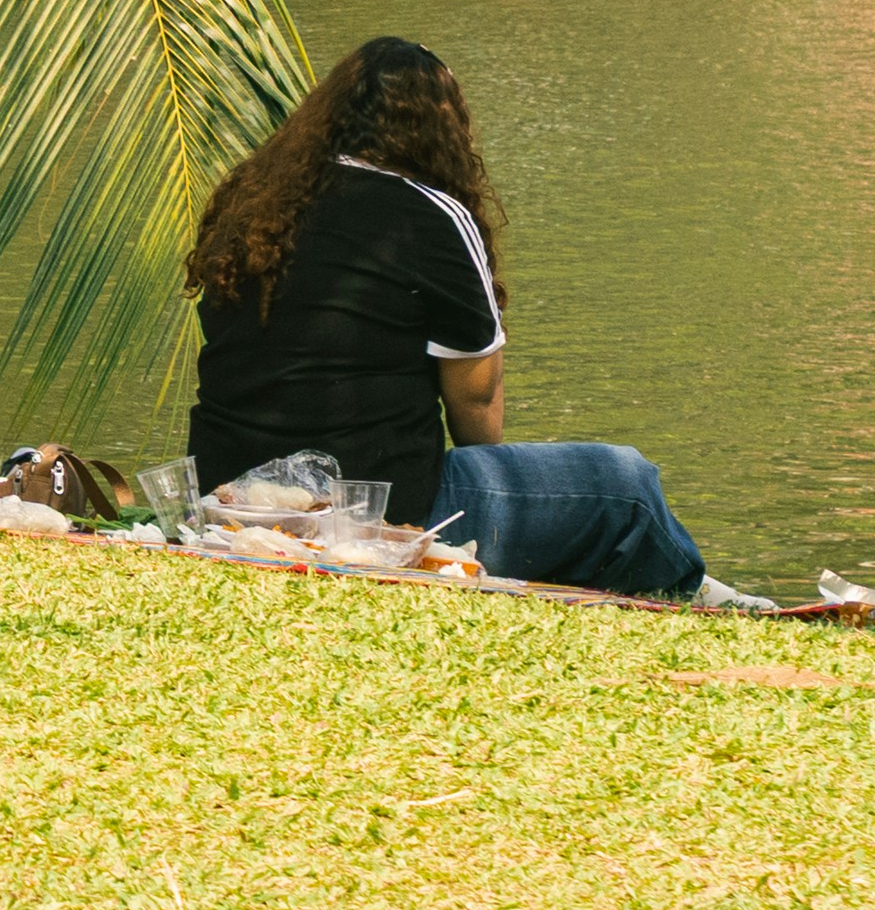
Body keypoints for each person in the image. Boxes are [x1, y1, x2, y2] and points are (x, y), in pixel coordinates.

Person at [185, 35, 725, 601]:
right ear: (439, 129)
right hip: (377, 511)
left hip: (226, 496)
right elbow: (475, 401)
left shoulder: (253, 204)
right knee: (627, 485)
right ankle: (695, 598)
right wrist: (492, 492)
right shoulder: (431, 214)